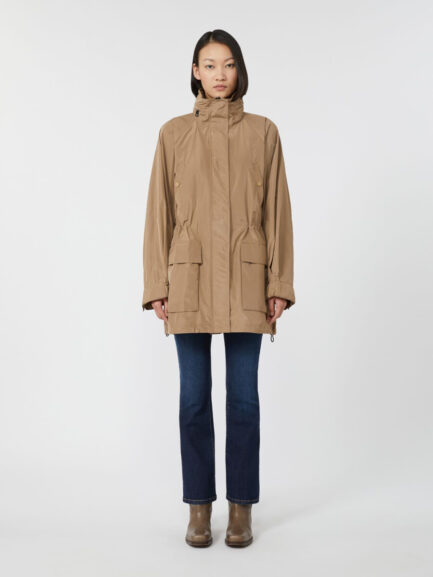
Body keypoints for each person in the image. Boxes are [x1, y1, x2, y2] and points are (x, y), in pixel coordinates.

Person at [141, 29, 296, 548]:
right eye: (209, 65)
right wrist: (156, 284)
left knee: (244, 401)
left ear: (239, 69)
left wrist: (279, 282)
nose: (220, 75)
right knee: (193, 400)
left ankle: (241, 509)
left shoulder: (263, 132)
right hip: (189, 278)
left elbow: (277, 212)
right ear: (195, 72)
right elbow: (158, 213)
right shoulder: (173, 134)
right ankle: (199, 508)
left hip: (249, 280)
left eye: (227, 64)